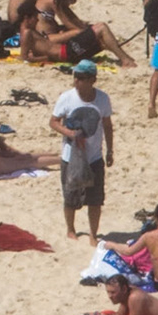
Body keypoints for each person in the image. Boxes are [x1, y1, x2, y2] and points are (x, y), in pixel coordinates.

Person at [53, 59, 113, 242]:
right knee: (70, 196)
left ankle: (93, 234)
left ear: (92, 80)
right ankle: (71, 229)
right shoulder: (66, 97)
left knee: (95, 199)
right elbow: (53, 121)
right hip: (71, 157)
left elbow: (107, 125)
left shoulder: (102, 99)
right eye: (75, 77)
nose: (76, 81)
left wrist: (110, 150)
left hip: (94, 157)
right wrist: (68, 132)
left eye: (80, 77)